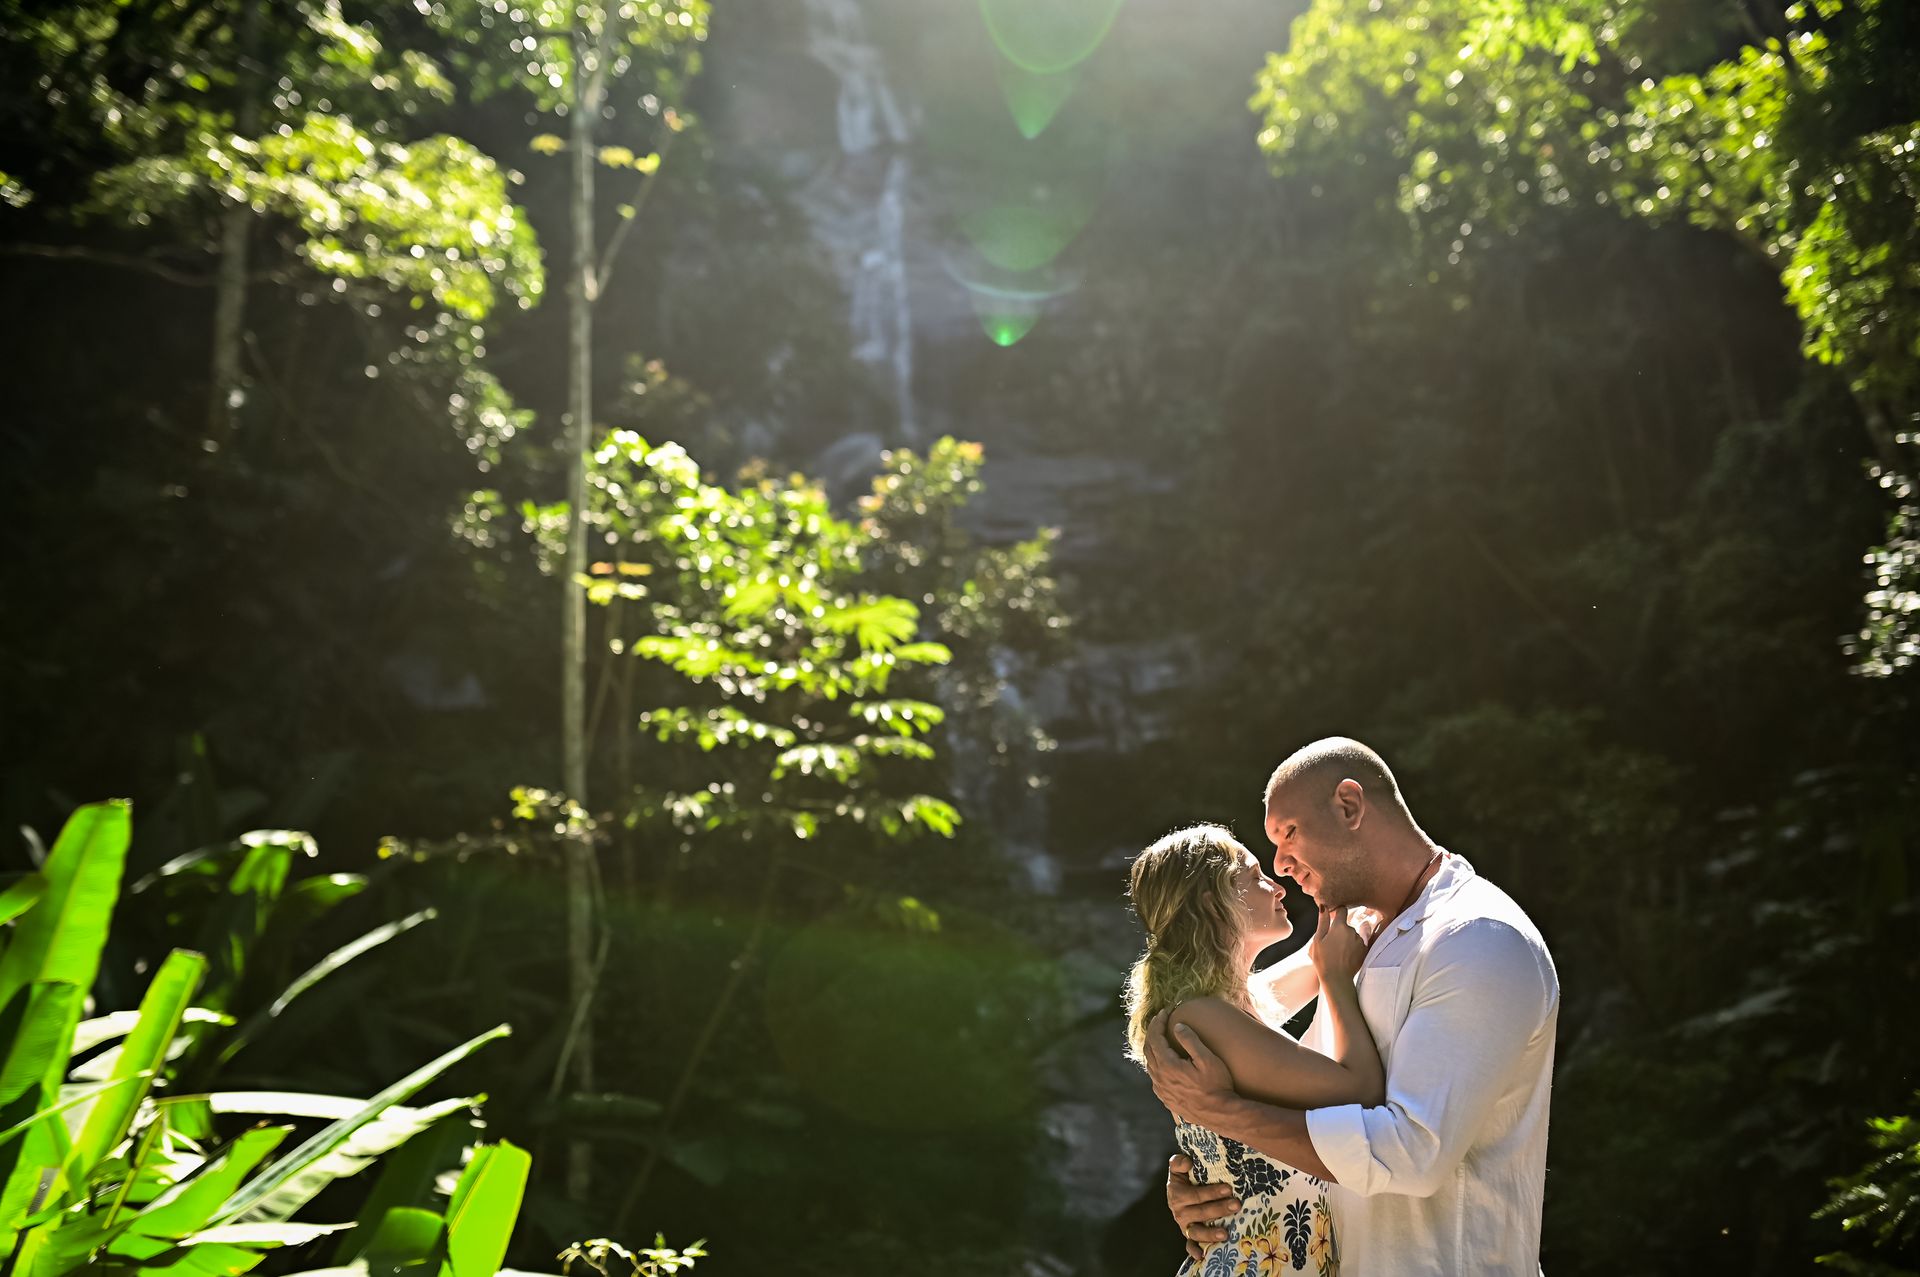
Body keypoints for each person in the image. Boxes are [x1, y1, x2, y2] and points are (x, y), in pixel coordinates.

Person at [1143, 738, 1560, 1276]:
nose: (1280, 864)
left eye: (1288, 834)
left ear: (1348, 806)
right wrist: (1217, 1180)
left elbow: (1411, 1154)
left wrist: (1228, 1118)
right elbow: (1249, 1030)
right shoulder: (1352, 937)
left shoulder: (1477, 938)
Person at [1125, 823, 1384, 1276]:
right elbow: (1360, 1094)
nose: (1278, 886)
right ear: (1213, 902)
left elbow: (1318, 956)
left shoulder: (1225, 1006)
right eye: (1253, 876)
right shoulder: (1203, 1020)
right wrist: (1339, 982)